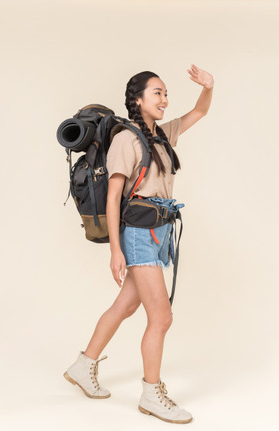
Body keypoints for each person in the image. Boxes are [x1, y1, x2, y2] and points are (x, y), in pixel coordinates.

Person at [64, 66, 214, 424]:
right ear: (137, 100)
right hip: (137, 234)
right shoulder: (127, 140)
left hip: (157, 233)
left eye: (165, 93)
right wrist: (116, 250)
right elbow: (114, 196)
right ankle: (151, 393)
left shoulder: (161, 135)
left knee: (125, 306)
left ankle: (83, 366)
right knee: (161, 317)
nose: (164, 99)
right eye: (157, 93)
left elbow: (200, 111)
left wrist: (209, 87)